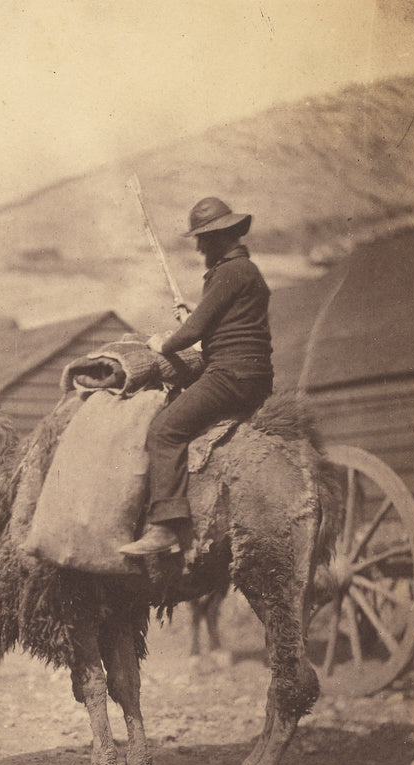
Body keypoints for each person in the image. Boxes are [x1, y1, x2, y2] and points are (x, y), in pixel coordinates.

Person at [119, 196, 274, 557]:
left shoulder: (227, 272)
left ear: (220, 236)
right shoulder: (246, 272)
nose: (201, 247)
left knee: (164, 430)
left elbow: (193, 333)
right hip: (255, 376)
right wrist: (195, 311)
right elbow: (223, 321)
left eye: (203, 239)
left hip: (229, 376)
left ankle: (165, 527)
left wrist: (162, 344)